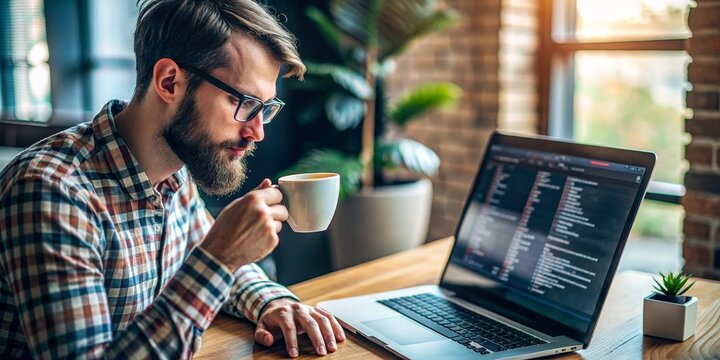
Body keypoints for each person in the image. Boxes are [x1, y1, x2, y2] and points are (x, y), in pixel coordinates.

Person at [0, 0, 345, 358]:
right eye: (244, 102)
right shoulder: (52, 193)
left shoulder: (175, 168)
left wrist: (273, 302)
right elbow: (211, 263)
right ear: (169, 82)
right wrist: (220, 257)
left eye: (266, 108)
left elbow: (214, 267)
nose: (258, 132)